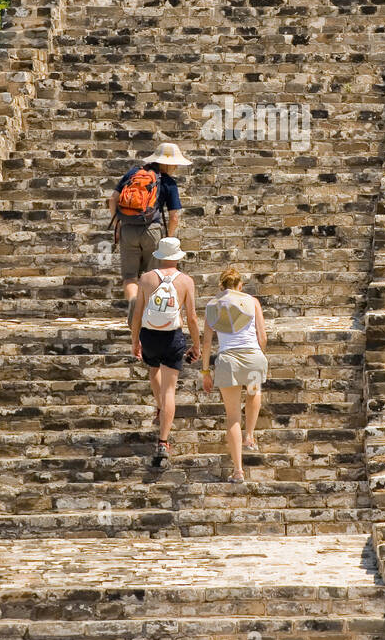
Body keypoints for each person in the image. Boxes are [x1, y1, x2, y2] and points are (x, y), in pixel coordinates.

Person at [130, 237, 200, 467]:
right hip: (173, 336)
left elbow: (138, 314)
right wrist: (197, 345)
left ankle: (159, 406)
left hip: (150, 335)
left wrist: (135, 341)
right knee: (170, 389)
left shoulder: (147, 278)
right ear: (178, 257)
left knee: (153, 371)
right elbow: (191, 317)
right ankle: (163, 441)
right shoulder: (186, 281)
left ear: (160, 255)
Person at [109, 140, 191, 324]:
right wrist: (168, 238)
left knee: (130, 277)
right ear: (167, 163)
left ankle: (133, 301)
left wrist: (118, 225)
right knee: (152, 276)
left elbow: (112, 199)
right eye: (175, 163)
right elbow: (174, 217)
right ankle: (146, 315)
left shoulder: (133, 173)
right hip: (152, 231)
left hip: (128, 229)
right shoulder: (169, 183)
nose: (176, 166)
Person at [201, 267, 268, 484]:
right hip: (253, 355)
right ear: (240, 286)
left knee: (232, 418)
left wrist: (205, 372)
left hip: (228, 359)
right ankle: (250, 435)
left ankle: (238, 470)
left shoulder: (212, 305)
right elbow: (262, 336)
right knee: (253, 392)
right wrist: (260, 356)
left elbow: (207, 342)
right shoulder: (252, 301)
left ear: (221, 285)